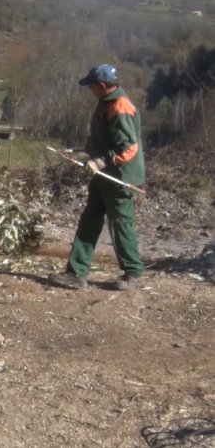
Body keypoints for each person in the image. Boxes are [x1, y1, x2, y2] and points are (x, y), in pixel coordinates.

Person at [48, 64, 146, 291]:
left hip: (120, 178)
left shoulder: (119, 106)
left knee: (121, 225)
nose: (90, 90)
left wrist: (100, 161)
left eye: (92, 86)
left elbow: (129, 147)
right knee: (90, 219)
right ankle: (76, 273)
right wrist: (82, 152)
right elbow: (106, 141)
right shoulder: (107, 103)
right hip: (104, 176)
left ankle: (133, 274)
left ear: (102, 86)